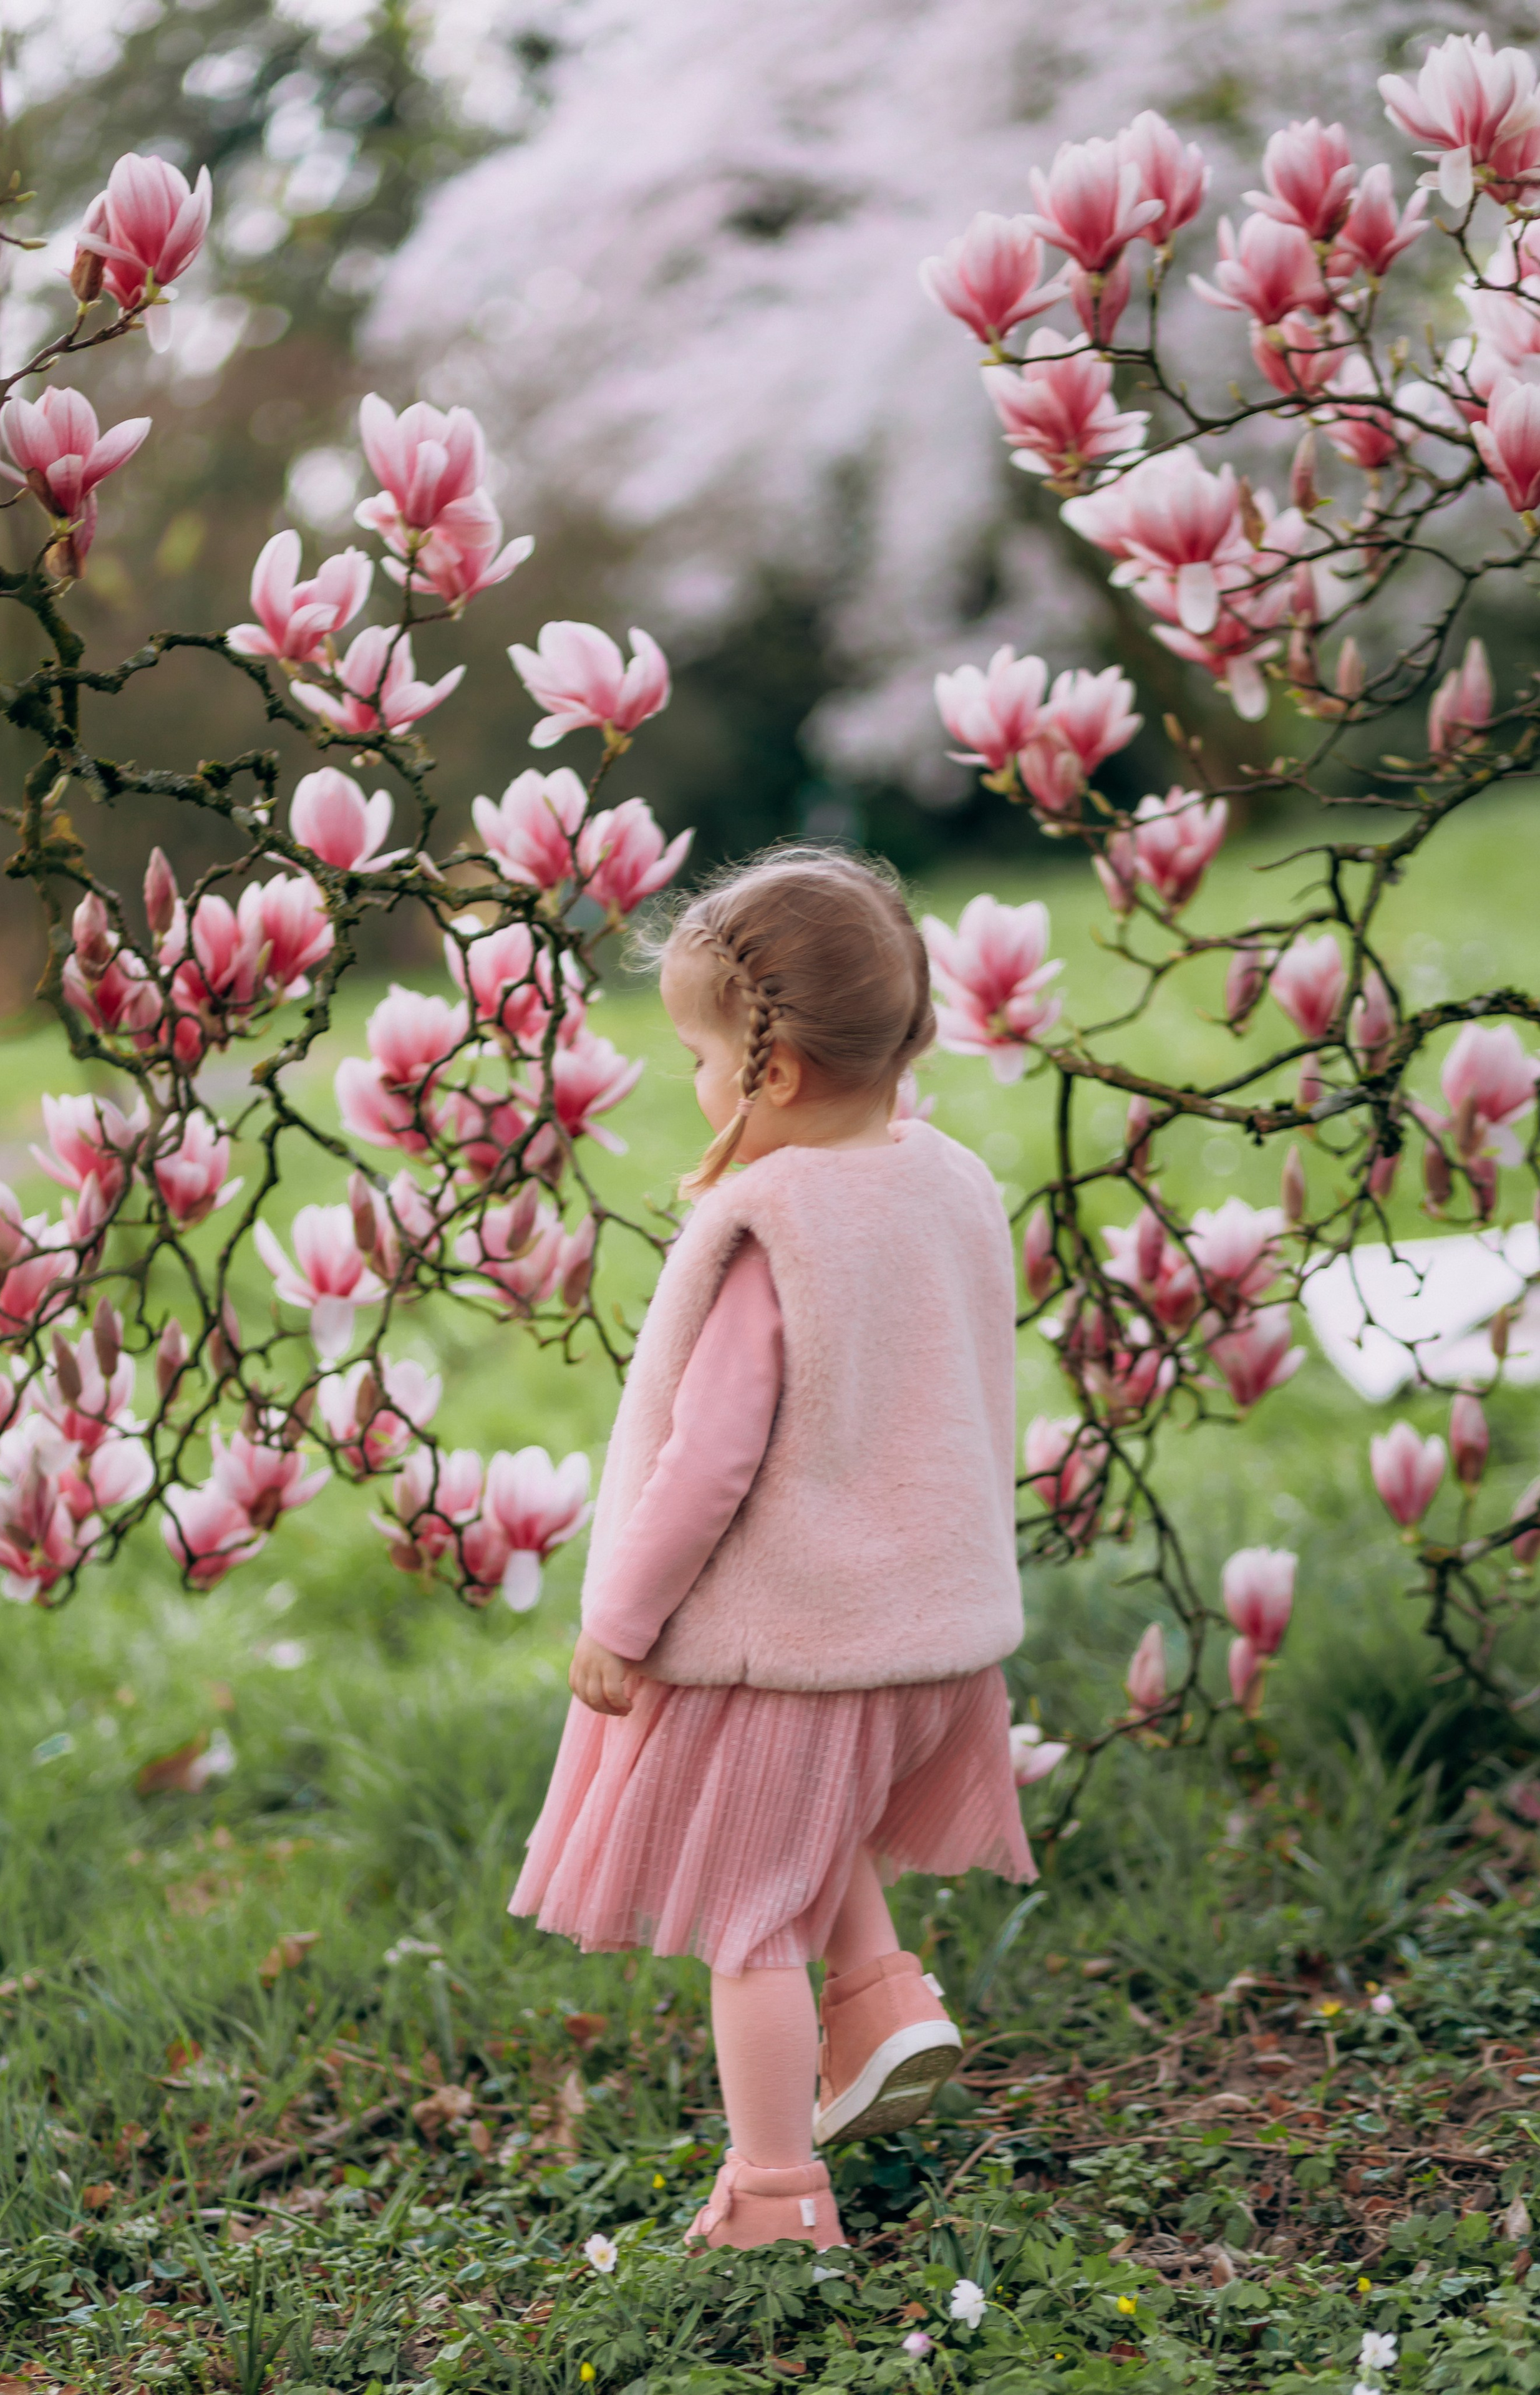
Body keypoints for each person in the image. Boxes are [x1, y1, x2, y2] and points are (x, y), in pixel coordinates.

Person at [510, 846, 1032, 2251]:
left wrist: (618, 1622)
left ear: (775, 1072)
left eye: (696, 1056)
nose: (689, 1083)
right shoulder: (944, 1177)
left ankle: (773, 2196)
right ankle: (880, 2001)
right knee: (814, 1831)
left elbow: (707, 1462)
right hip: (927, 1628)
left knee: (749, 1921)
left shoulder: (777, 1223)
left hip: (791, 1640)